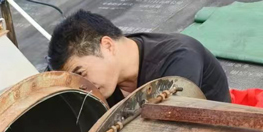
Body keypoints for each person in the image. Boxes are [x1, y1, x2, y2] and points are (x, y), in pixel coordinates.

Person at [47, 10, 231, 106]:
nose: (83, 87)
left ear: (108, 46)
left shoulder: (178, 58)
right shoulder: (109, 79)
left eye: (81, 73)